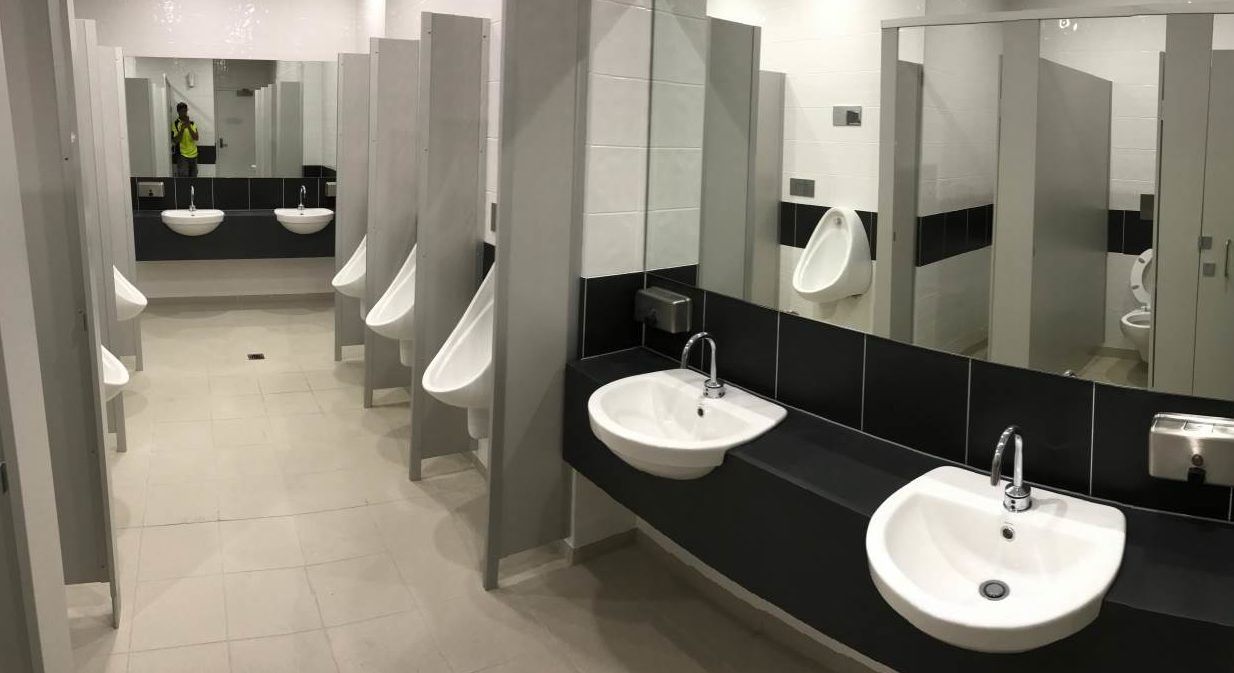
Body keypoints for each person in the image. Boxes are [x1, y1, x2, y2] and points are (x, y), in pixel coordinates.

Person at [172, 102, 199, 177]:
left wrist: (189, 126)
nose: (185, 113)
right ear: (178, 112)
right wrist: (182, 129)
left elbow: (196, 138)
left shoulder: (192, 123)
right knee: (183, 180)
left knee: (194, 178)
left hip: (194, 154)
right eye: (182, 111)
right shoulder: (175, 124)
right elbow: (175, 140)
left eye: (186, 111)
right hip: (182, 156)